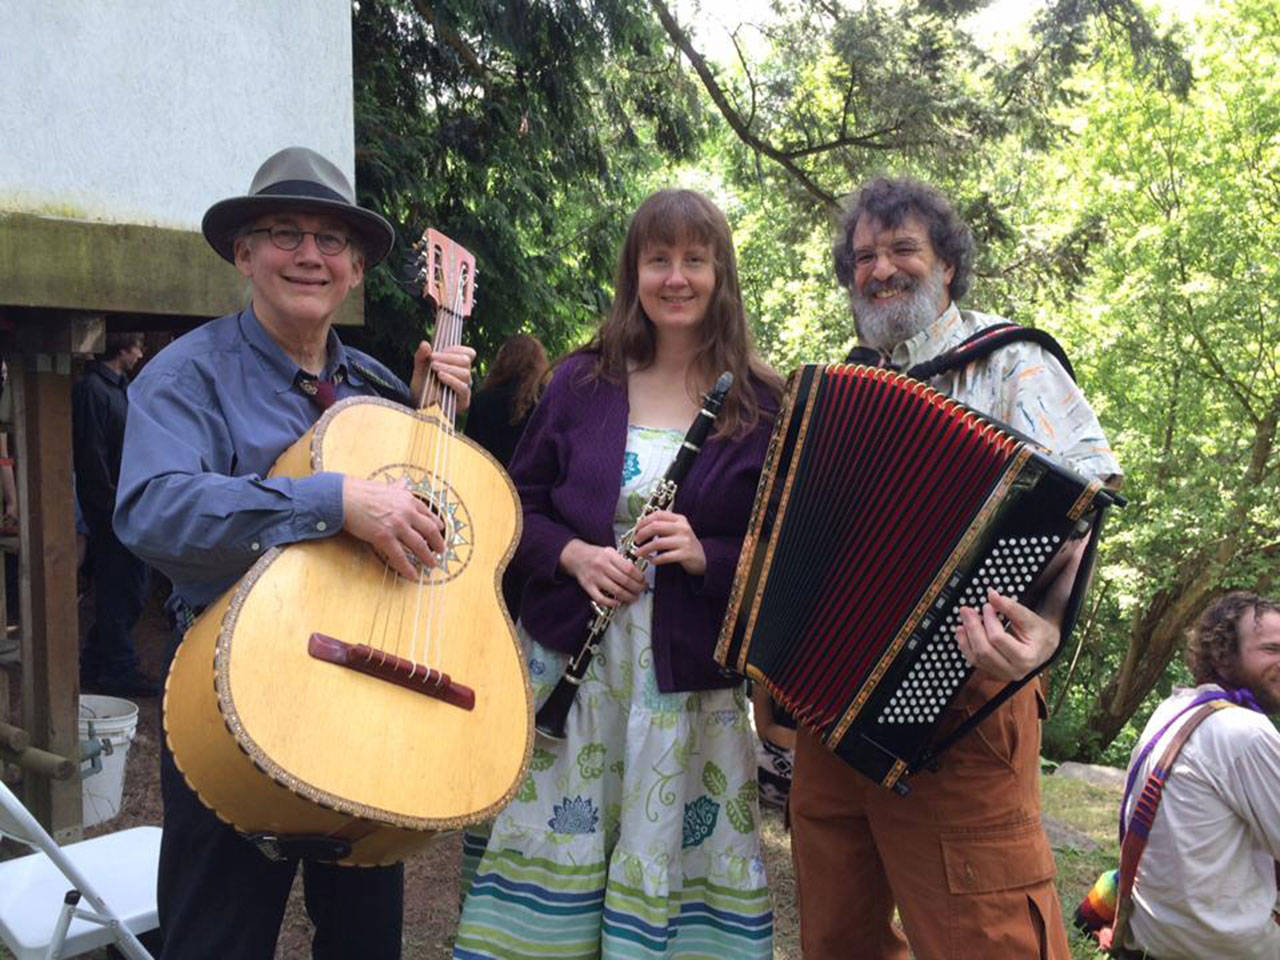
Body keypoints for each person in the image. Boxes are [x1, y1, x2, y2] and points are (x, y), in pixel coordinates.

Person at [114, 146, 474, 960]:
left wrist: (431, 426)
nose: (309, 255)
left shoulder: (381, 389)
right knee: (217, 941)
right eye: (284, 233)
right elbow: (151, 512)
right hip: (232, 698)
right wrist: (333, 498)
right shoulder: (186, 377)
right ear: (244, 254)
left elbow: (433, 531)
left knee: (365, 941)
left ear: (354, 271)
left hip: (366, 700)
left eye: (331, 241)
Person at [788, 176, 1122, 960]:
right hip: (828, 713)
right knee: (839, 936)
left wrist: (1048, 629)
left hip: (966, 703)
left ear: (946, 267)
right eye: (864, 256)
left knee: (987, 937)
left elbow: (1084, 509)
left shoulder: (1014, 365)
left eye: (904, 248)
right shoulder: (845, 385)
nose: (881, 269)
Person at [452, 189, 782, 959]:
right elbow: (515, 505)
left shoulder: (764, 403)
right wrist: (573, 555)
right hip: (576, 671)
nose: (676, 277)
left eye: (694, 260)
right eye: (657, 258)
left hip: (683, 692)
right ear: (633, 271)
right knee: (554, 857)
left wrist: (708, 555)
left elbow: (782, 553)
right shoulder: (581, 380)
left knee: (668, 864)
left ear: (720, 274)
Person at [1115, 591, 1280, 960]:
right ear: (1222, 655)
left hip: (1154, 934)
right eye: (1271, 649)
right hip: (1214, 946)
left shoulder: (1177, 707)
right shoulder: (1244, 731)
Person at [73, 332, 156, 697]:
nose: (141, 353)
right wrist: (107, 508)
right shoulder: (93, 389)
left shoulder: (121, 388)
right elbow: (91, 454)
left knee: (125, 587)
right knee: (123, 587)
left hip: (128, 502)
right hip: (112, 509)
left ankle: (95, 663)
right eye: (137, 346)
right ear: (122, 349)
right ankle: (118, 669)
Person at [463, 332, 549, 468]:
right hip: (528, 486)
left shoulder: (482, 400)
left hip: (485, 481)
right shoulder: (544, 401)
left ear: (502, 361)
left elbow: (469, 450)